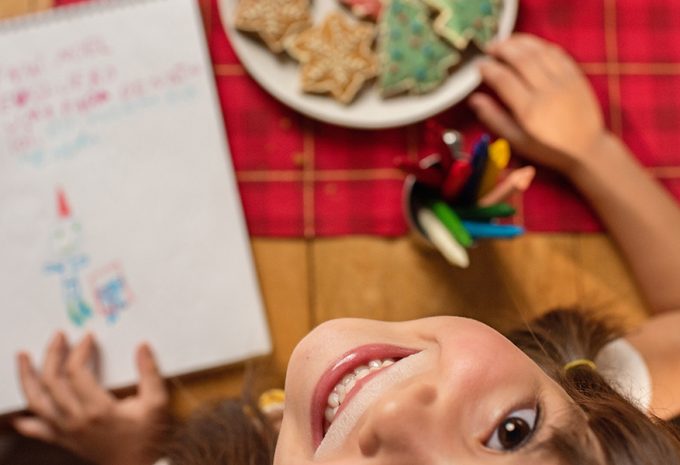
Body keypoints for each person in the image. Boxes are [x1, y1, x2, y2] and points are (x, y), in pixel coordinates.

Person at [12, 33, 680, 464]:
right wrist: (592, 153)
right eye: (511, 431)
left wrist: (132, 452)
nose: (393, 410)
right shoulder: (618, 406)